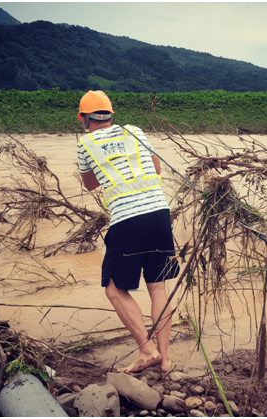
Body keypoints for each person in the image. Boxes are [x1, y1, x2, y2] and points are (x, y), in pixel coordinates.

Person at [76, 90, 179, 373]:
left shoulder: (85, 143)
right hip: (160, 214)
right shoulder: (134, 131)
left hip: (127, 220)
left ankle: (147, 351)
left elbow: (89, 184)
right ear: (111, 115)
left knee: (113, 289)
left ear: (84, 119)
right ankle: (166, 360)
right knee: (158, 287)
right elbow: (156, 168)